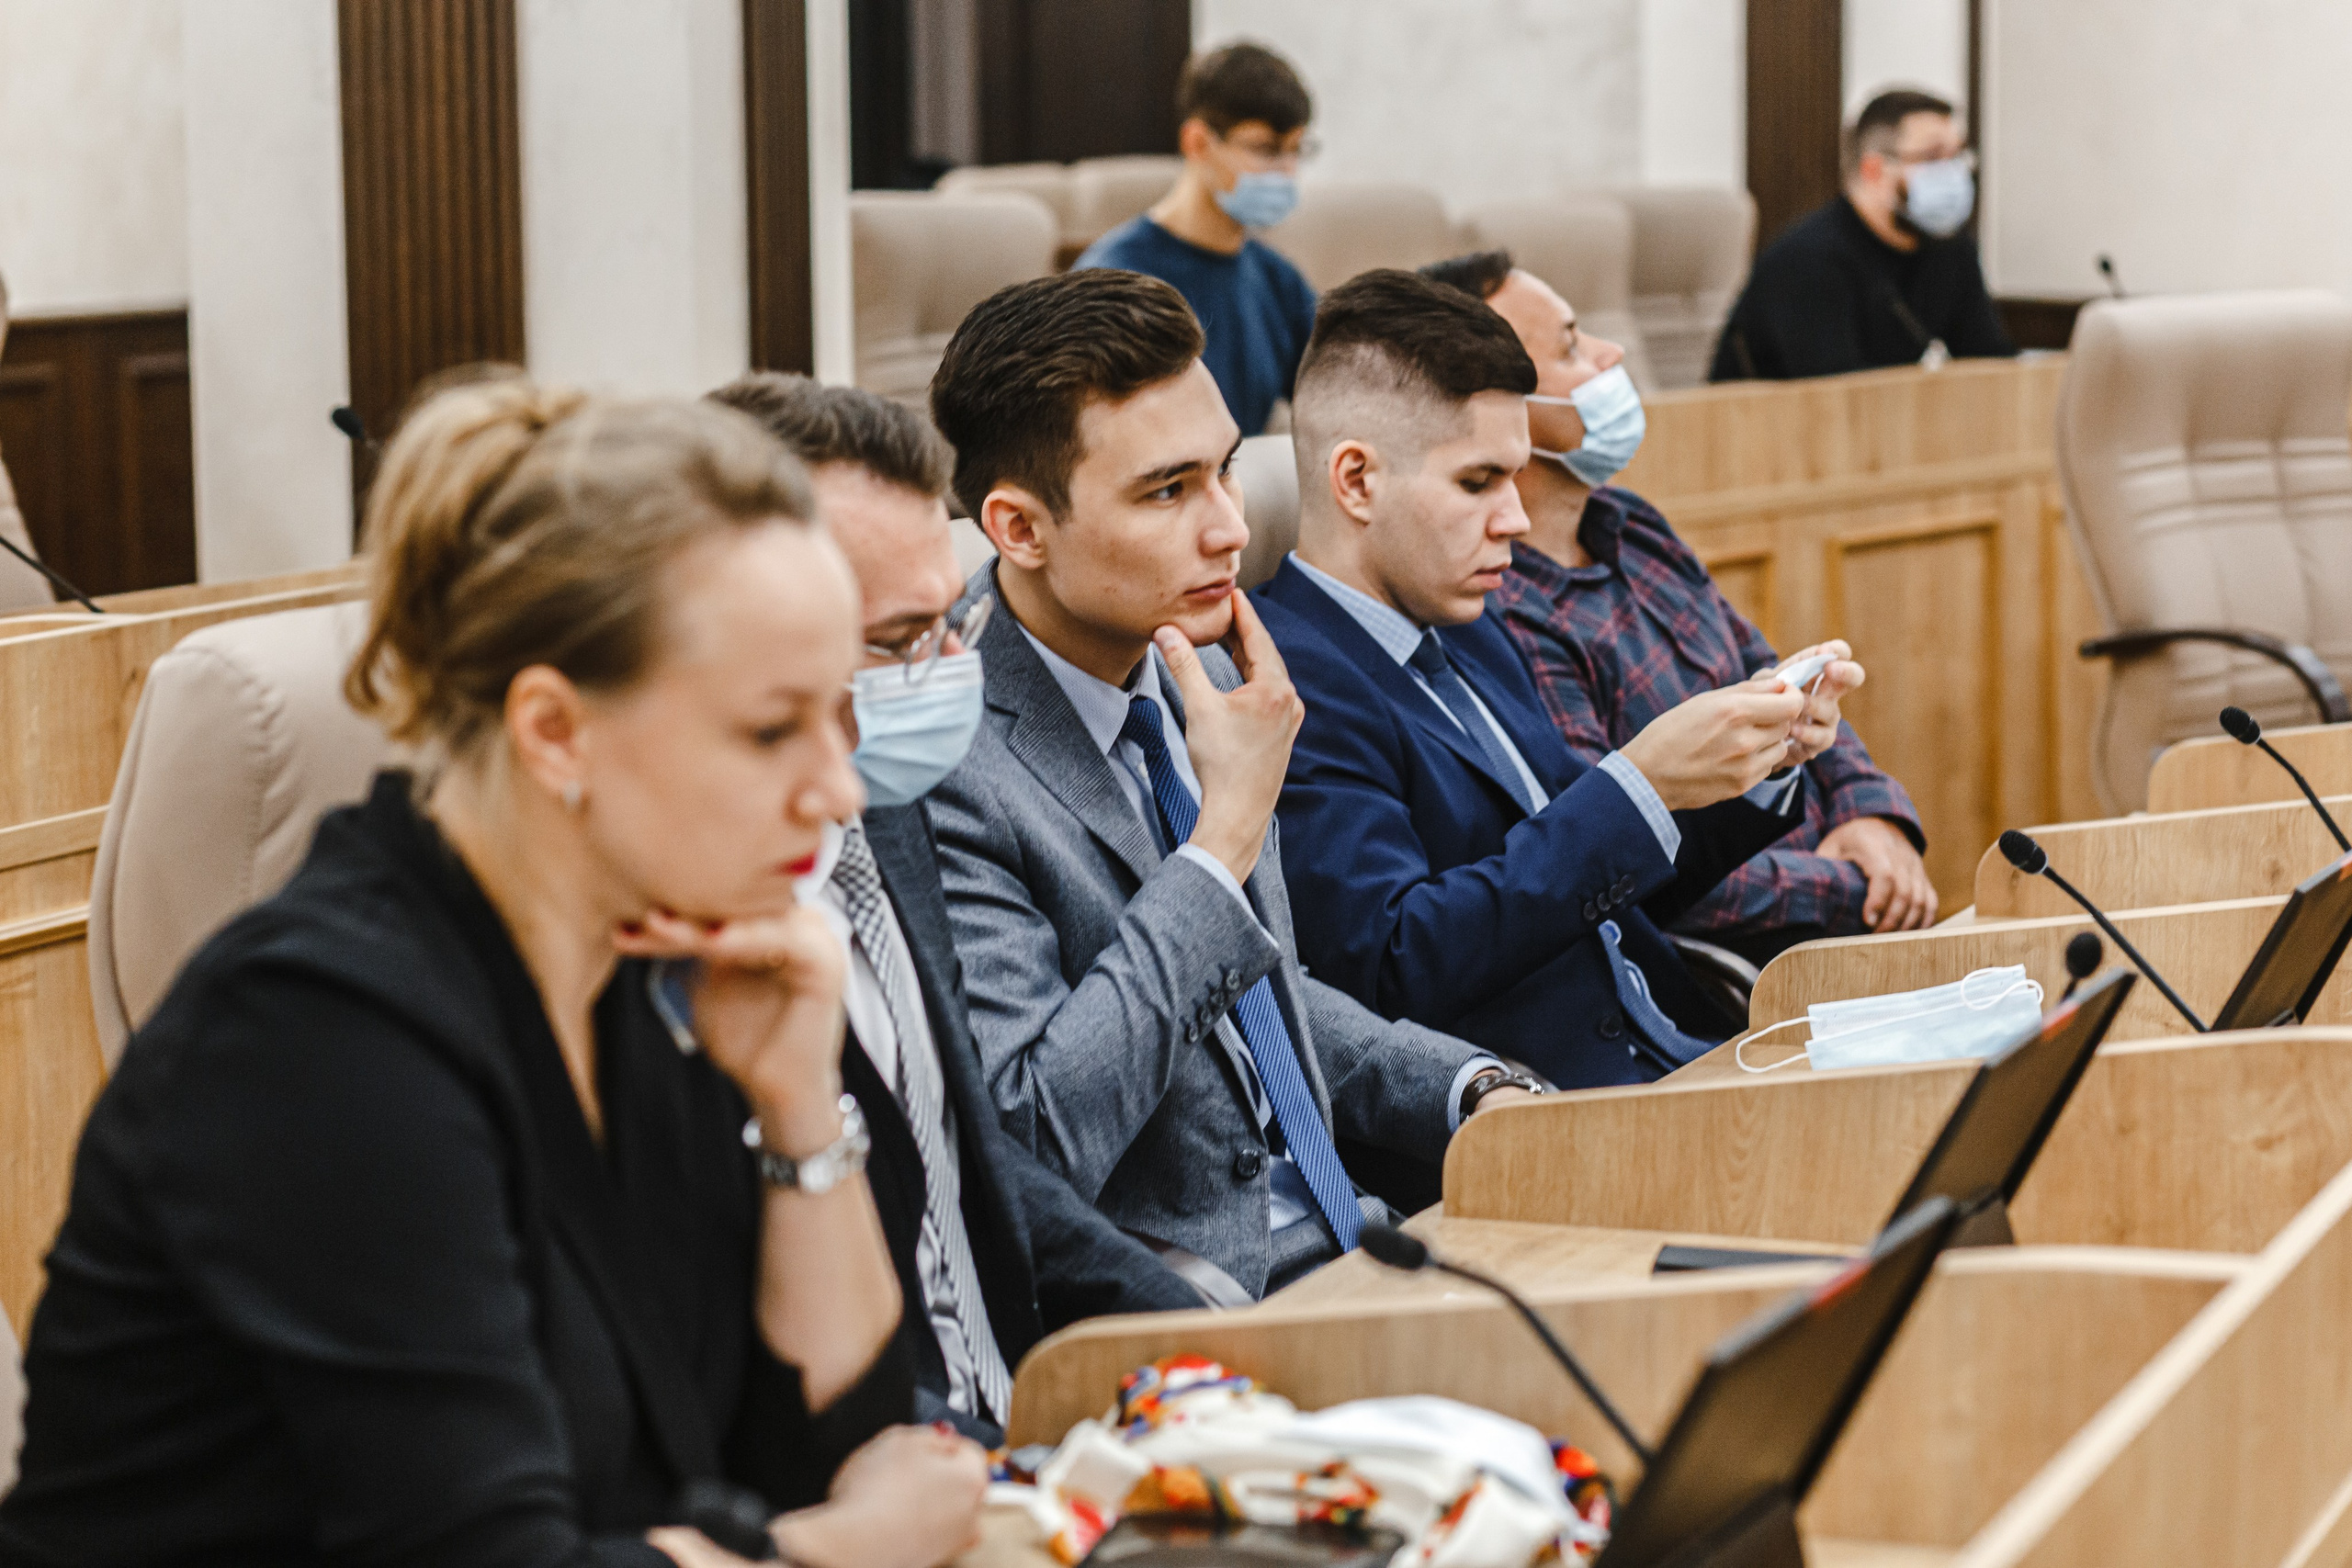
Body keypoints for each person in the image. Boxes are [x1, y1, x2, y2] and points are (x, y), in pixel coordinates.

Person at [0, 379, 989, 1568]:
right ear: (555, 731)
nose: (838, 788)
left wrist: (794, 1106)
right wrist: (839, 1550)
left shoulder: (651, 969)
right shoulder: (312, 1037)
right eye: (774, 729)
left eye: (842, 715)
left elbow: (839, 1445)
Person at [923, 269, 1532, 1301]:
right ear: (1019, 529)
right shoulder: (947, 763)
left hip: (1356, 1242)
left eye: (1225, 472)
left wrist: (1467, 1088)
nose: (1229, 530)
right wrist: (1223, 844)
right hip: (1184, 1310)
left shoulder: (1192, 664)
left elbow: (1260, 1000)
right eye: (1167, 491)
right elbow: (1036, 1136)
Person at [707, 373, 1201, 1443]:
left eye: (947, 629)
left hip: (1029, 1418)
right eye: (893, 646)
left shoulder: (884, 810)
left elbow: (977, 1164)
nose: (936, 680)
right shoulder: (682, 932)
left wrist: (1220, 1350)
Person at [1251, 270, 1865, 1089]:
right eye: (1478, 482)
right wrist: (1638, 785)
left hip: (1687, 1051)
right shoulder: (1287, 681)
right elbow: (1394, 963)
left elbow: (1601, 882)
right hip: (1541, 1116)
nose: (1512, 517)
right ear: (1357, 480)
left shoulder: (1471, 626)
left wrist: (1753, 765)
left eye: (1512, 476)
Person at [1421, 251, 1935, 960]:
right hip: (1766, 959)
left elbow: (1776, 676)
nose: (1613, 353)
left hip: (1846, 906)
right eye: (1572, 345)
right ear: (1503, 407)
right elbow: (1627, 855)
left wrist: (1872, 814)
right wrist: (1854, 882)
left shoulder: (1631, 524)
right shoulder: (1500, 614)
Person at [1071, 41, 1318, 437]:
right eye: (1265, 149)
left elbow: (1337, 395)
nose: (1286, 171)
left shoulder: (1278, 280)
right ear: (1197, 142)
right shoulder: (1116, 280)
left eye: (1296, 150)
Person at [1711, 88, 2015, 381]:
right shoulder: (1807, 260)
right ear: (1873, 170)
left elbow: (1990, 364)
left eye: (1957, 156)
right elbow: (1837, 397)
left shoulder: (1951, 248)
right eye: (1933, 157)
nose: (1952, 173)